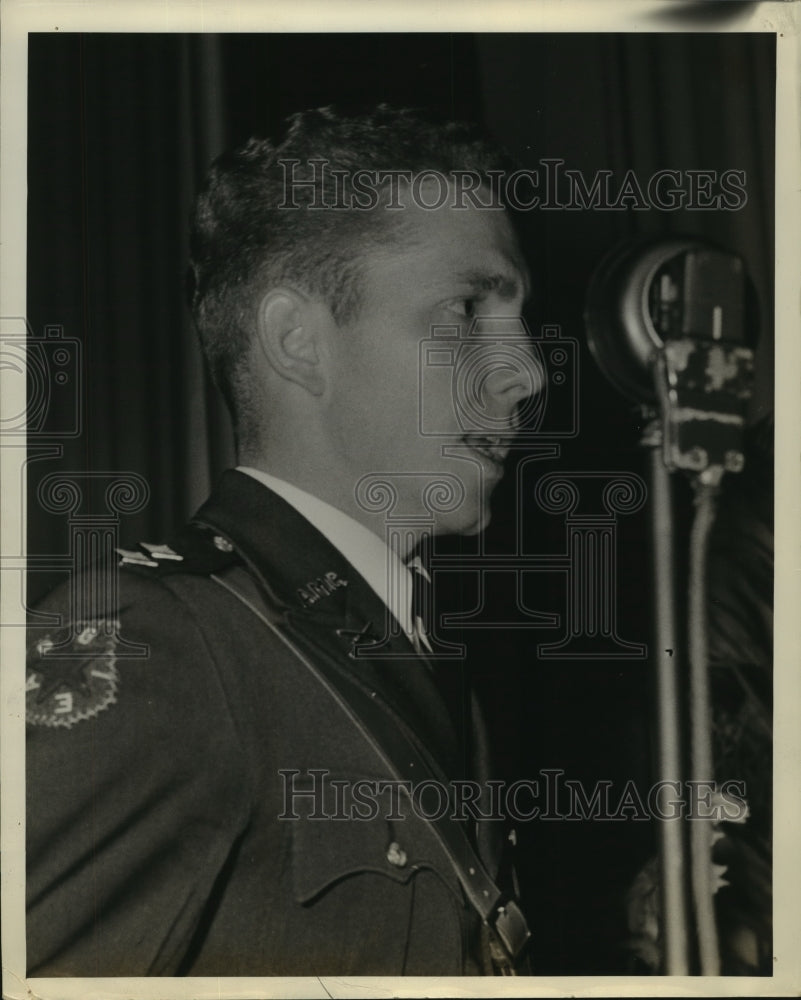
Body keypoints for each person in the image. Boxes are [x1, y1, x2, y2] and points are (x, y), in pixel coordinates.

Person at [25, 105, 539, 977]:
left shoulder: (414, 657)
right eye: (464, 310)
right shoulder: (162, 648)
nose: (525, 370)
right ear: (298, 342)